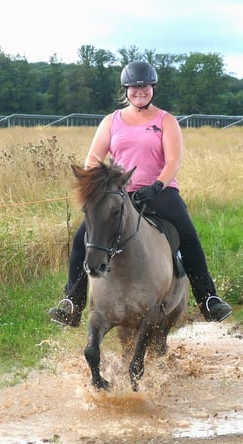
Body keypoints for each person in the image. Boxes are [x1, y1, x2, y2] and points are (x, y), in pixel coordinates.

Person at [49, 61, 232, 326]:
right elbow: (93, 159)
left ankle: (208, 299)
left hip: (160, 192)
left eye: (144, 86)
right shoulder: (111, 121)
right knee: (82, 238)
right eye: (134, 87)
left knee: (188, 235)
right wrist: (99, 186)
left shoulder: (165, 121)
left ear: (152, 88)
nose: (140, 91)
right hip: (119, 195)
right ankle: (72, 303)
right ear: (126, 89)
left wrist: (157, 185)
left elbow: (173, 162)